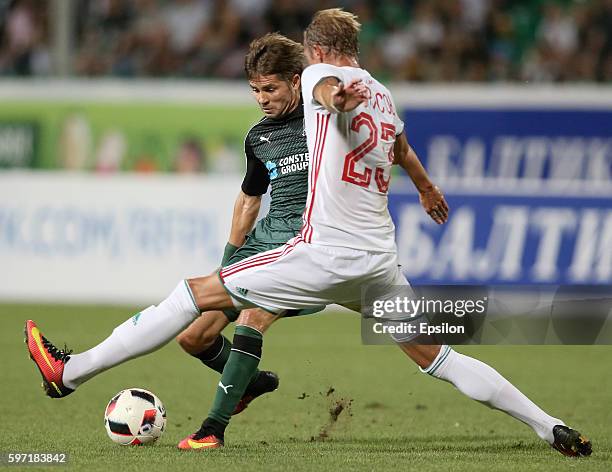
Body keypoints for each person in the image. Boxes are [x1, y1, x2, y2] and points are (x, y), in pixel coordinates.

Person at [25, 9, 591, 457]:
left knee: (193, 295)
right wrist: (423, 186)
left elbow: (323, 91)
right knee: (436, 354)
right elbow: (395, 145)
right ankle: (550, 425)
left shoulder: (321, 75)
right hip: (378, 261)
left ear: (315, 53)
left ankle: (69, 374)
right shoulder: (386, 97)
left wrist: (328, 96)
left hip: (324, 253)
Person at [175, 32, 325, 417]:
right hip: (266, 242)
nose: (262, 99)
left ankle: (212, 429)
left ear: (295, 80)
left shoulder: (324, 121)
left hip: (311, 247)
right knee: (193, 337)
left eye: (270, 88)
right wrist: (229, 259)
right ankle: (250, 381)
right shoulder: (259, 137)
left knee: (251, 314)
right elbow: (249, 199)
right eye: (255, 90)